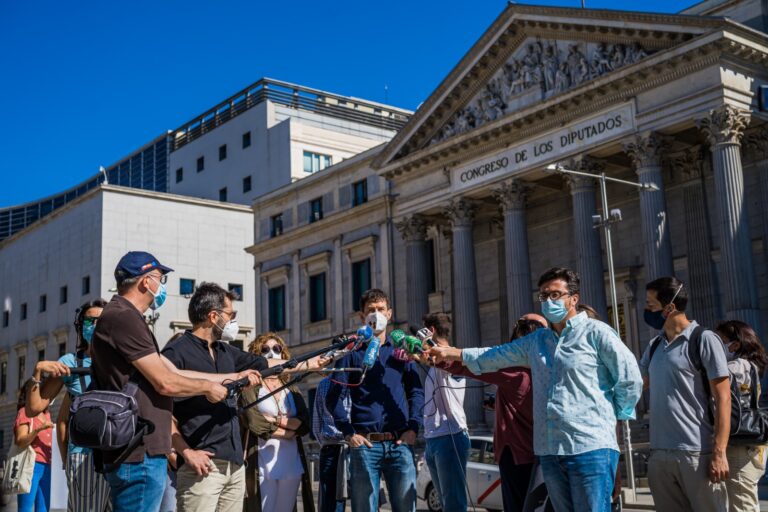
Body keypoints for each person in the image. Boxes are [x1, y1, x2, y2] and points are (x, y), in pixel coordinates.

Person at [430, 267, 643, 512]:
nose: (549, 301)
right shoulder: (537, 341)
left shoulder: (597, 333)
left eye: (555, 295)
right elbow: (493, 356)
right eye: (544, 296)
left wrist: (613, 416)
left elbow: (630, 379)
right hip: (550, 452)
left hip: (590, 448)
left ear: (573, 298)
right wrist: (449, 352)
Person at [90, 251, 235, 512]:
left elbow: (167, 371)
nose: (162, 286)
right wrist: (207, 388)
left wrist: (229, 378)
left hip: (141, 449)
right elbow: (165, 381)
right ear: (146, 282)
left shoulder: (125, 317)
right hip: (138, 451)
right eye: (161, 278)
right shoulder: (123, 317)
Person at [161, 282, 265, 512]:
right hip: (202, 467)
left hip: (234, 466)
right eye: (231, 314)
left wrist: (309, 363)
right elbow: (161, 411)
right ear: (213, 316)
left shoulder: (226, 351)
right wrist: (186, 452)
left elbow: (269, 365)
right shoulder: (176, 352)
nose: (233, 321)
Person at [326, 288, 424, 512]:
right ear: (362, 317)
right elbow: (333, 396)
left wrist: (414, 428)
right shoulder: (352, 351)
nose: (376, 314)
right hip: (365, 445)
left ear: (389, 314)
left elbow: (416, 391)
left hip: (400, 442)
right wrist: (349, 432)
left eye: (381, 309)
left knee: (406, 507)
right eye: (371, 310)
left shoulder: (402, 350)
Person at [435, 314, 545, 512]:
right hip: (541, 454)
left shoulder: (515, 371)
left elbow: (472, 366)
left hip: (517, 455)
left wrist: (438, 358)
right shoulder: (547, 371)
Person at [639, 277, 730, 512]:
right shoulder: (655, 346)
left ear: (669, 307)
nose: (646, 309)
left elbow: (723, 398)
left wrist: (719, 452)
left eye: (650, 304)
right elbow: (635, 385)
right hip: (660, 454)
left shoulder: (704, 339)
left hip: (697, 453)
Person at [25, 299, 112, 512]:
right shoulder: (71, 363)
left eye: (101, 320)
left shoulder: (122, 361)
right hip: (84, 456)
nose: (95, 325)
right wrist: (38, 371)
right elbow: (34, 408)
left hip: (120, 456)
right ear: (81, 326)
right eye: (89, 321)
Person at [240, 333, 314, 512]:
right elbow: (255, 422)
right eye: (265, 350)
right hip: (261, 459)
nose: (271, 353)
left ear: (283, 354)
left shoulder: (292, 388)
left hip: (290, 460)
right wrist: (289, 430)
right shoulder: (250, 388)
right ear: (257, 355)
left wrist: (276, 420)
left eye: (276, 349)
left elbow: (305, 422)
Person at [417, 312, 469, 512]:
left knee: (454, 504)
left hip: (451, 436)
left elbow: (443, 361)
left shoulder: (452, 356)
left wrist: (426, 346)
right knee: (446, 505)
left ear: (429, 331)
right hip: (434, 437)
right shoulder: (437, 360)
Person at [716, 320, 768, 511]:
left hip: (740, 447)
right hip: (752, 446)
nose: (715, 347)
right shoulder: (751, 365)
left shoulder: (738, 366)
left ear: (735, 344)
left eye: (719, 341)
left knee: (741, 505)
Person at [312, 376, 351, 512]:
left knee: (333, 501)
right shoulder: (325, 384)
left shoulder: (324, 383)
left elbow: (317, 422)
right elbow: (317, 419)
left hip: (340, 445)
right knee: (332, 502)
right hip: (336, 446)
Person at [15, 380, 53, 512]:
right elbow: (20, 440)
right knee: (25, 509)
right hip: (31, 466)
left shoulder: (47, 414)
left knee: (43, 509)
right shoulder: (25, 412)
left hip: (48, 466)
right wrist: (38, 430)